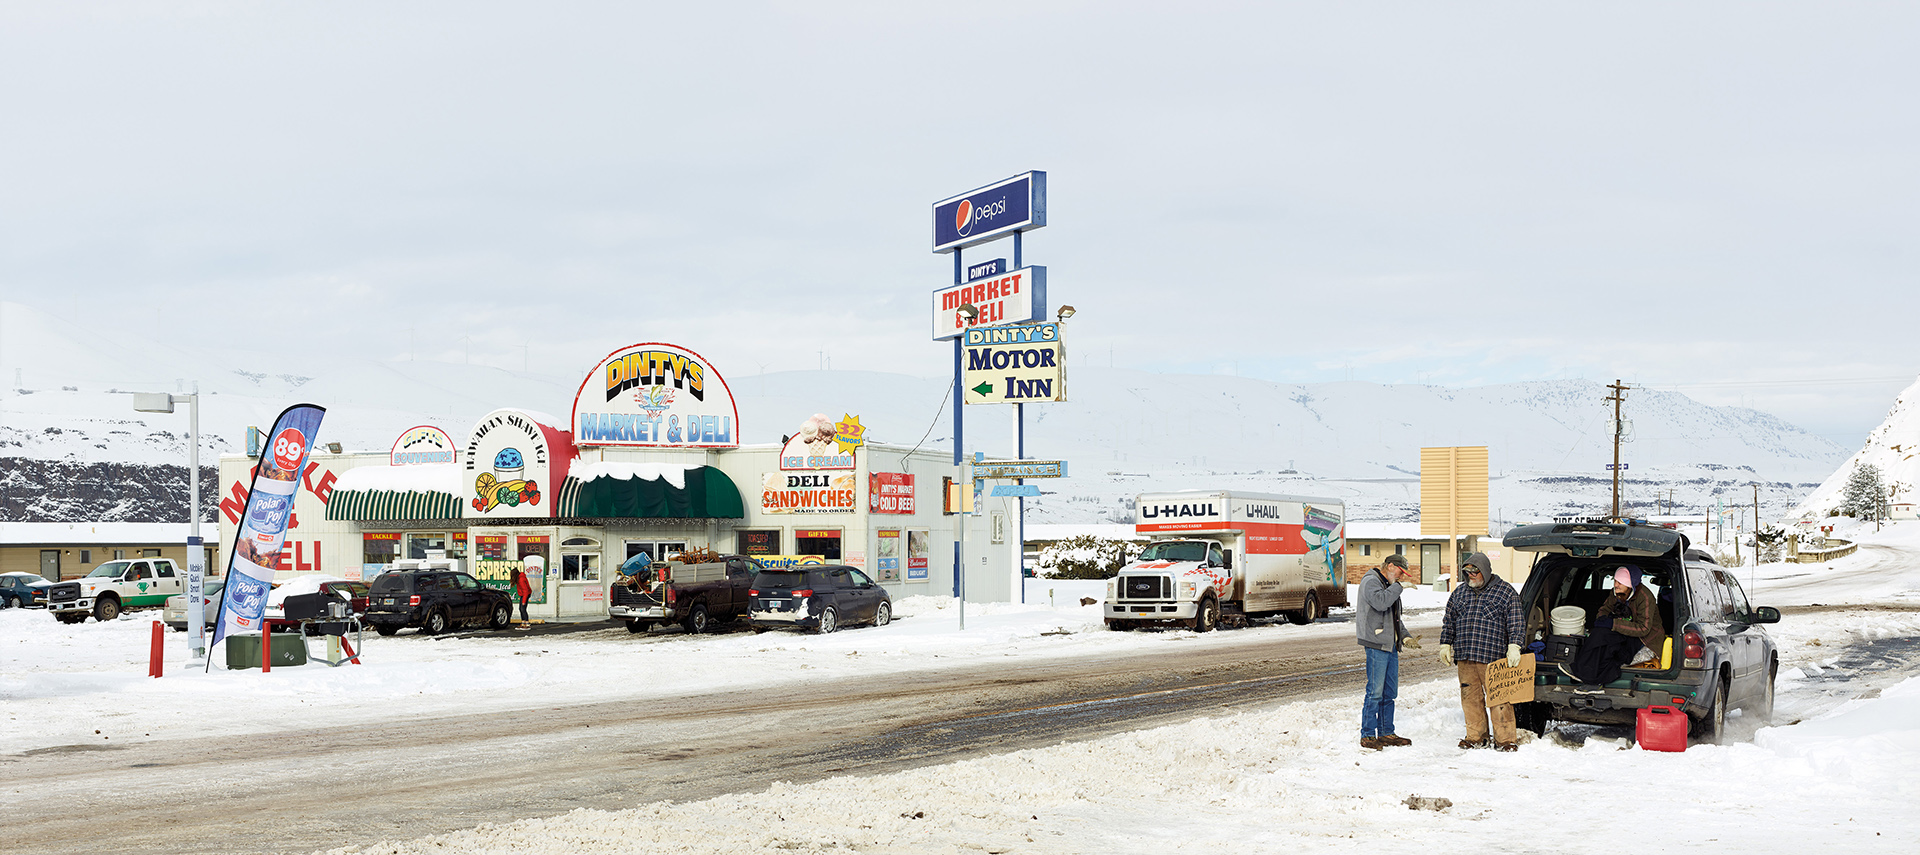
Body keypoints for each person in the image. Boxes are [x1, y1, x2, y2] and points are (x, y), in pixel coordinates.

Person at [1439, 552, 1525, 751]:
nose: (1471, 576)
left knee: (1499, 700)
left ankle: (1505, 740)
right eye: (1467, 572)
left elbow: (1516, 622)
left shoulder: (1506, 593)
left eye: (1475, 572)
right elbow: (1449, 621)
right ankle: (1476, 737)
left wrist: (1514, 645)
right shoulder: (1459, 593)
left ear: (1485, 571)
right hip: (1465, 657)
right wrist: (1445, 643)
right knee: (1470, 699)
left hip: (1493, 659)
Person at [1356, 553, 1422, 750]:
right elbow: (1380, 602)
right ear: (1390, 566)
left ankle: (1386, 732)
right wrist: (1398, 587)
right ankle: (1367, 735)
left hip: (1389, 644)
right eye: (1400, 572)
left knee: (1389, 693)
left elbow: (1393, 617)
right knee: (1375, 692)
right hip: (1376, 643)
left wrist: (1405, 636)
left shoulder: (1387, 585)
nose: (1401, 577)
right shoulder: (1371, 581)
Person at [1563, 566, 1665, 685]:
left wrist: (1613, 624)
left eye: (1620, 582)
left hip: (1644, 637)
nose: (1616, 585)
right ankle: (1582, 672)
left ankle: (1588, 677)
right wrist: (1602, 618)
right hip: (1623, 628)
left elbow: (1644, 628)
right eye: (1615, 581)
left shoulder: (1645, 598)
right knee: (1598, 635)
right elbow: (1605, 608)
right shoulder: (1616, 592)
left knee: (1614, 649)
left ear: (1630, 584)